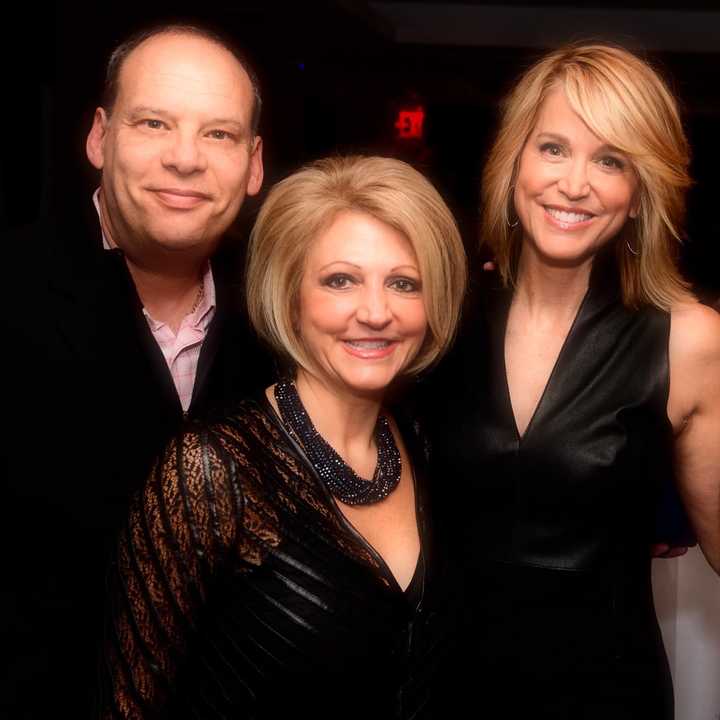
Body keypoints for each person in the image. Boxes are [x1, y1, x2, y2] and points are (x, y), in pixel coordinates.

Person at [98, 155, 468, 718]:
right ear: (290, 296)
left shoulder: (424, 442)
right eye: (340, 280)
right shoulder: (211, 468)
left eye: (403, 283)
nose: (375, 312)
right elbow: (130, 705)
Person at [427, 43, 720, 719]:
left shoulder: (686, 337)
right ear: (514, 163)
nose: (575, 183)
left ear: (642, 191)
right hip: (440, 690)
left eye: (611, 159)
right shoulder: (440, 316)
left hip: (607, 696)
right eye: (553, 148)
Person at [3, 24, 270, 715]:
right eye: (154, 122)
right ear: (99, 137)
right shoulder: (13, 288)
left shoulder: (286, 317)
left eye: (218, 134)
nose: (184, 159)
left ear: (253, 164)